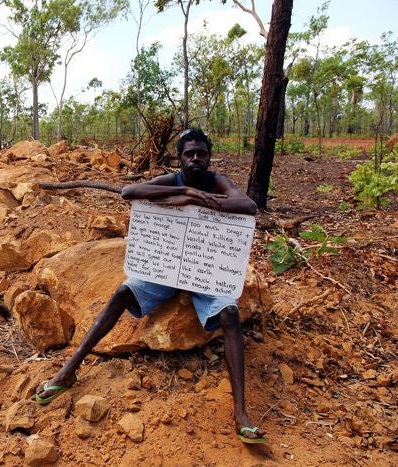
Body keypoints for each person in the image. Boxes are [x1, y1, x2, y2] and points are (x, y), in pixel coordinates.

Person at [33, 128, 267, 444]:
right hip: (166, 266)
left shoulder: (217, 181)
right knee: (121, 293)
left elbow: (248, 206)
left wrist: (201, 199)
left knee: (230, 315)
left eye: (201, 153)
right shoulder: (174, 180)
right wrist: (184, 196)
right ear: (180, 158)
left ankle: (241, 413)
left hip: (205, 269)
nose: (196, 158)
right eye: (189, 153)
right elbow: (129, 193)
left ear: (208, 156)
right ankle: (69, 370)